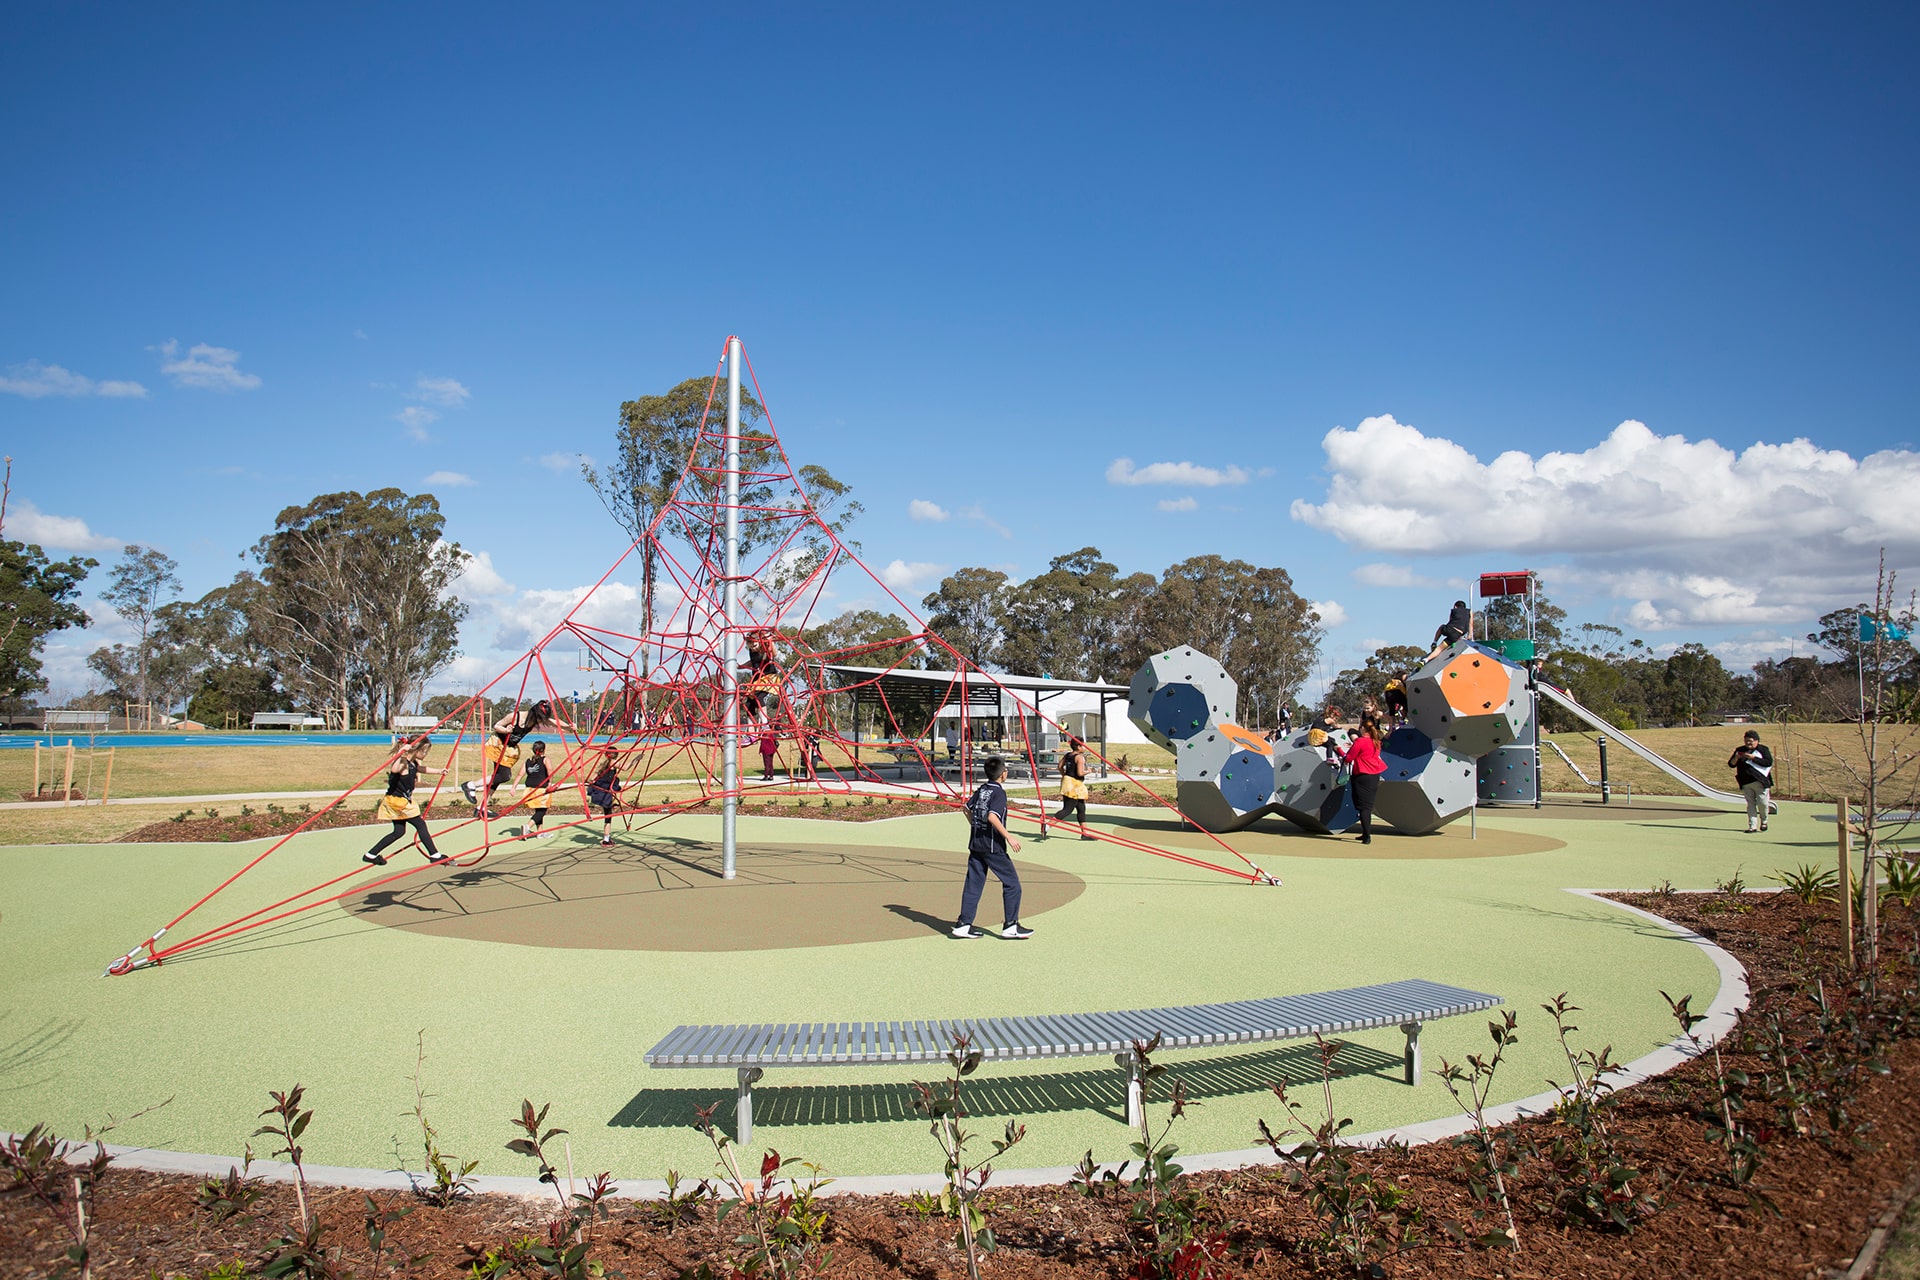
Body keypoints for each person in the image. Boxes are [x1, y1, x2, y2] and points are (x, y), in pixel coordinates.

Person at [953, 756, 1030, 939]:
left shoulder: (982, 789)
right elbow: (992, 817)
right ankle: (1011, 925)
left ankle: (964, 924)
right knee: (1012, 884)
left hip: (976, 844)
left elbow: (966, 808)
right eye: (1006, 769)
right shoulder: (998, 793)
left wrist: (975, 825)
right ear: (1003, 774)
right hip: (993, 846)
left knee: (974, 884)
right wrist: (1009, 837)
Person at [464, 698, 574, 817]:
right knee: (504, 776)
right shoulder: (515, 716)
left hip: (509, 749)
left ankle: (481, 807)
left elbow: (554, 722)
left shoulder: (534, 719)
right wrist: (506, 730)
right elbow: (497, 726)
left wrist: (569, 727)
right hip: (498, 744)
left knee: (497, 779)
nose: (538, 722)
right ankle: (471, 785)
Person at [363, 736, 452, 866]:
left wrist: (439, 771)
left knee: (399, 832)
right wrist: (401, 753)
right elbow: (394, 769)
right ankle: (434, 855)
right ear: (416, 750)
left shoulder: (413, 763)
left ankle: (370, 855)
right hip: (398, 802)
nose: (426, 754)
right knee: (420, 825)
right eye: (425, 751)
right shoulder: (403, 763)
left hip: (396, 801)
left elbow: (421, 769)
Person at [1340, 712, 1390, 845]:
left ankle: (1367, 835)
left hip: (1362, 775)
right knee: (1367, 805)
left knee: (1363, 807)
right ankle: (1365, 833)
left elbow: (1349, 758)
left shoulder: (1360, 741)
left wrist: (1339, 750)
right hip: (1374, 775)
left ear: (1363, 728)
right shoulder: (1376, 742)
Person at [1728, 729, 1774, 833]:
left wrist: (1753, 758)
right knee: (1751, 804)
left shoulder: (1763, 749)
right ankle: (1752, 826)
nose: (1748, 743)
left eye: (1751, 741)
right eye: (1746, 740)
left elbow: (1768, 762)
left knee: (1763, 803)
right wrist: (1736, 757)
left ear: (1757, 740)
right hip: (1745, 782)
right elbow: (1731, 764)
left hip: (1761, 782)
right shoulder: (1740, 750)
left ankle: (1764, 821)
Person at [586, 748, 630, 847]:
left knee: (608, 814)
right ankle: (606, 839)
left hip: (601, 790)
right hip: (605, 793)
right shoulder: (613, 762)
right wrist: (636, 759)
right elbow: (626, 767)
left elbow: (594, 776)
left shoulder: (604, 764)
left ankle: (607, 837)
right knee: (608, 816)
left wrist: (590, 781)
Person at [1053, 736, 1094, 838]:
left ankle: (1085, 833)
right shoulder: (1080, 758)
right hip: (1074, 786)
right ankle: (1048, 824)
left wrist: (1064, 775)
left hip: (1068, 783)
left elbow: (1059, 766)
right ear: (1079, 746)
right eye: (1083, 745)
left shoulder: (1068, 755)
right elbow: (1080, 773)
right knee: (1068, 809)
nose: (1085, 747)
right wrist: (1088, 771)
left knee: (1081, 808)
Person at [739, 631, 782, 727]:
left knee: (758, 697)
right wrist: (741, 666)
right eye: (750, 647)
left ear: (759, 642)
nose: (753, 649)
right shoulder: (752, 651)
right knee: (749, 704)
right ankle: (751, 732)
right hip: (757, 680)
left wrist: (770, 640)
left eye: (754, 646)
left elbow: (774, 654)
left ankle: (765, 724)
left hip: (769, 677)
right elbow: (753, 661)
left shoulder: (765, 649)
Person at [518, 740, 553, 840]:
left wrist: (514, 787)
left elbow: (520, 774)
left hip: (530, 789)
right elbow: (550, 770)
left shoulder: (529, 761)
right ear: (543, 750)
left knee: (538, 809)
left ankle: (540, 832)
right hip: (541, 789)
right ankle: (528, 826)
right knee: (542, 810)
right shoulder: (545, 759)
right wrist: (550, 783)